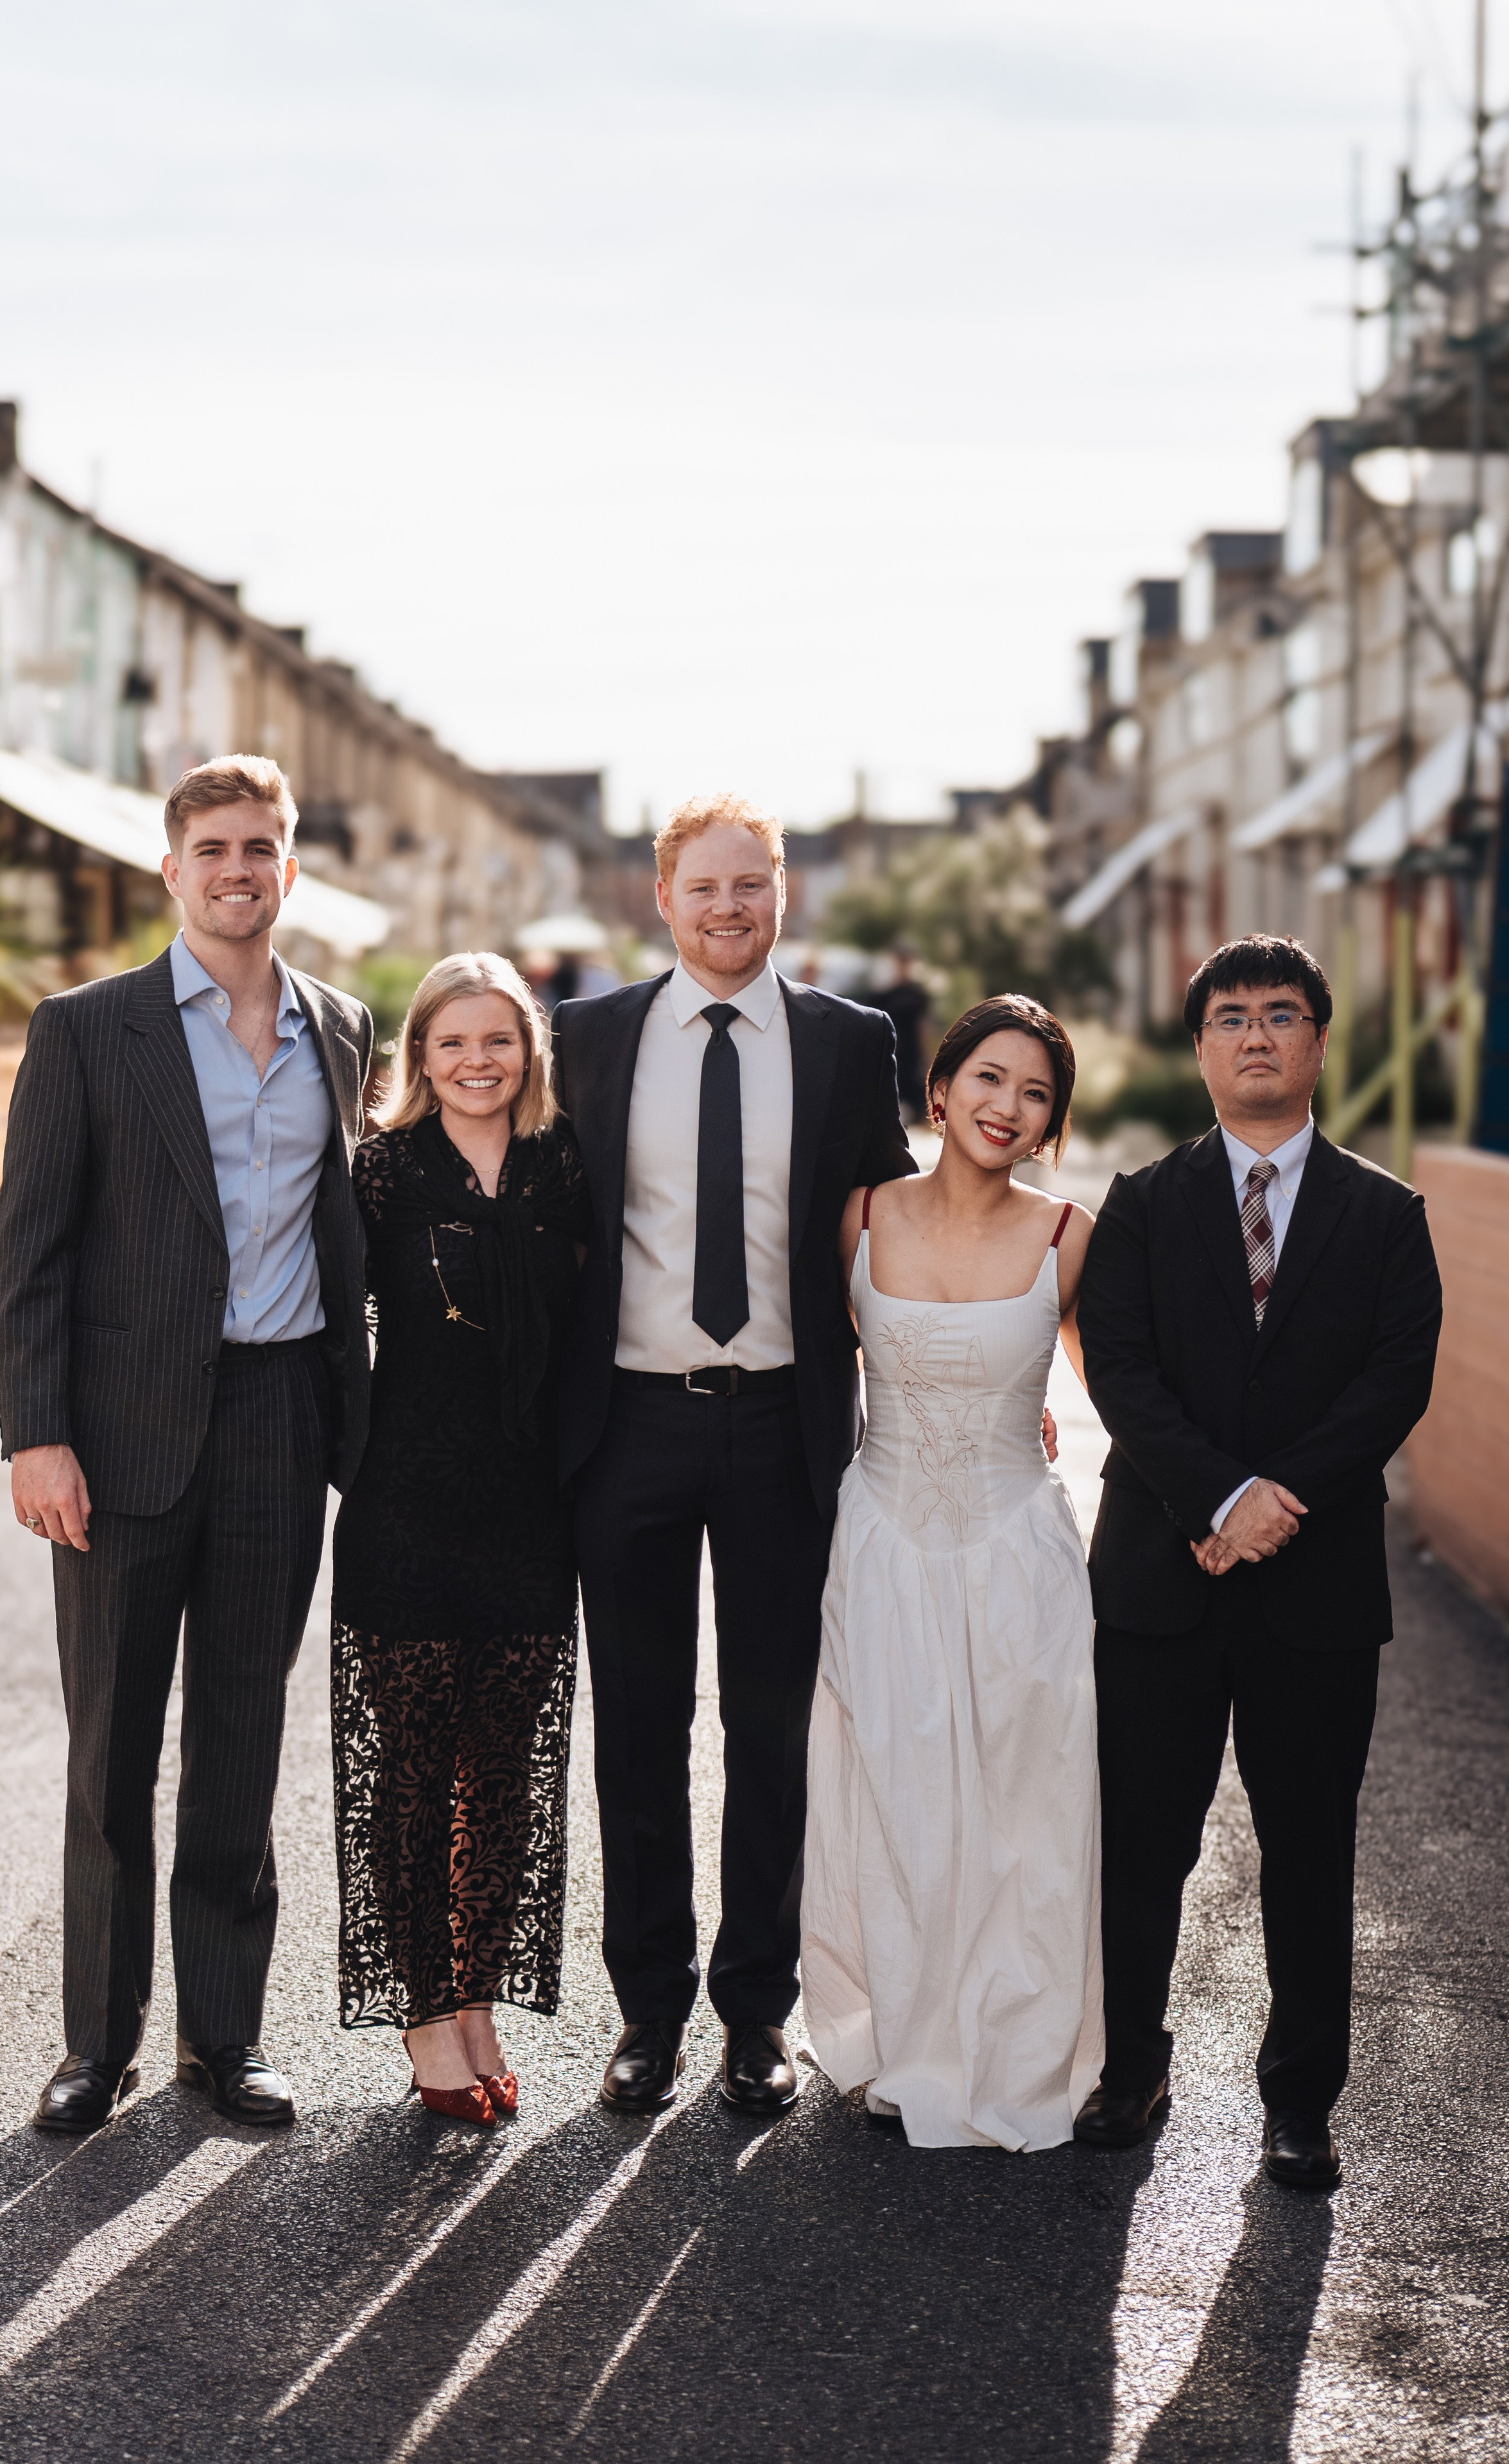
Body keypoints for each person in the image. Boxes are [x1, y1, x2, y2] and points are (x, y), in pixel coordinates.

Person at [0, 756, 374, 2134]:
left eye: (260, 847)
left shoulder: (341, 1026)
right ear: (172, 871)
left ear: (289, 870)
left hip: (281, 1417)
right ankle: (98, 2043)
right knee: (111, 1753)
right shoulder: (87, 1032)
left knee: (241, 1737)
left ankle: (225, 2037)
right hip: (122, 1434)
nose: (237, 869)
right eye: (212, 847)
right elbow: (30, 1253)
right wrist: (36, 1437)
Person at [555, 792, 915, 2116]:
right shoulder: (587, 1039)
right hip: (628, 1427)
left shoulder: (846, 1044)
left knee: (771, 1731)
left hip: (780, 1426)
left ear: (783, 896)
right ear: (661, 898)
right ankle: (646, 2011)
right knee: (638, 1733)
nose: (727, 909)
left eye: (749, 886)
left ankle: (752, 2012)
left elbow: (887, 1225)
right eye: (703, 887)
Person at [1074, 934, 1442, 2192]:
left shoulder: (1384, 1215)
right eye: (1228, 1016)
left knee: (1306, 1850)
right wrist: (1216, 1496)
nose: (1253, 1034)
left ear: (1316, 1042)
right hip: (1156, 1580)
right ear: (1199, 1048)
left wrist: (1275, 1502)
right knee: (1140, 1843)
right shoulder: (1138, 1203)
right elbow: (1118, 1371)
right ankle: (1129, 2069)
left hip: (1314, 1586)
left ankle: (1297, 2103)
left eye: (1278, 1014)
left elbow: (1393, 1379)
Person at [800, 995, 1103, 2148]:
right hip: (881, 1540)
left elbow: (1115, 1388)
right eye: (989, 1079)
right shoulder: (860, 1218)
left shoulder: (1071, 1234)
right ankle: (901, 2035)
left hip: (1015, 1551)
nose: (1007, 1106)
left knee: (1026, 1807)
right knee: (895, 1797)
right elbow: (816, 1363)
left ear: (1050, 1125)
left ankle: (1020, 2049)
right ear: (941, 1090)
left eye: (1034, 1094)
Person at [330, 953, 589, 2127]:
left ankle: (476, 1997)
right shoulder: (379, 1175)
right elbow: (326, 1326)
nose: (478, 1062)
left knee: (507, 1778)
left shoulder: (562, 1168)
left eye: (499, 1041)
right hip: (410, 1501)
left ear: (528, 1050)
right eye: (453, 1043)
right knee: (411, 1773)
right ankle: (427, 2021)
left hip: (533, 1507)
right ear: (419, 1059)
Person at [870, 945, 931, 1124]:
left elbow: (923, 1027)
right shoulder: (883, 995)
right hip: (890, 1050)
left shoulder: (917, 994)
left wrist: (927, 1057)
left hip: (911, 1053)